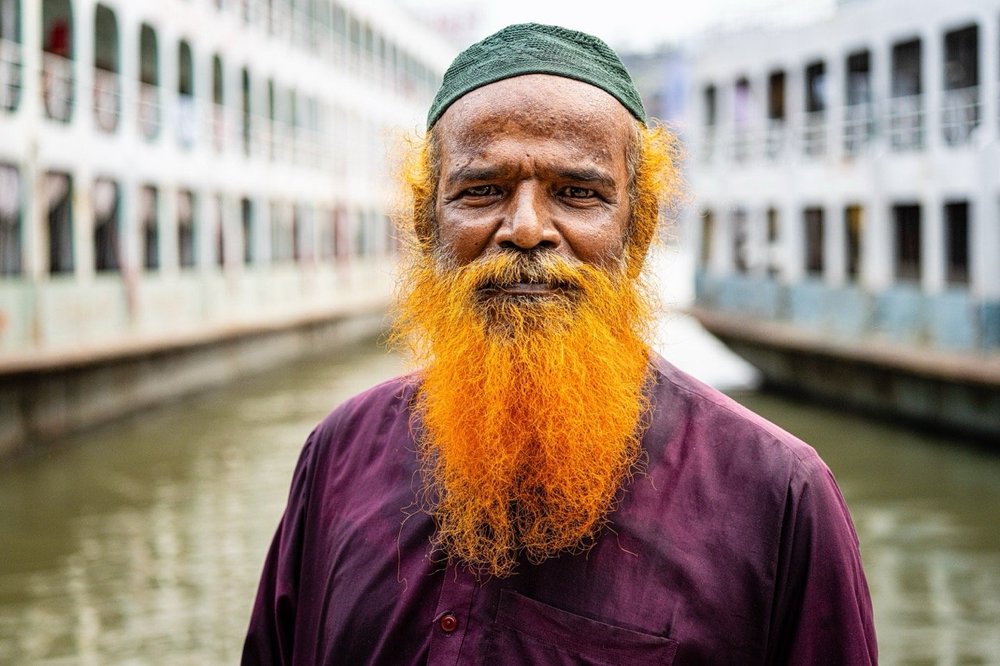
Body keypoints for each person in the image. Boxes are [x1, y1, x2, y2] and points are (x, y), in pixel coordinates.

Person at [243, 23, 877, 665]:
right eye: (482, 191)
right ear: (425, 219)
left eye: (578, 194)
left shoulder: (780, 499)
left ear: (640, 224)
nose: (525, 229)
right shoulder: (338, 454)